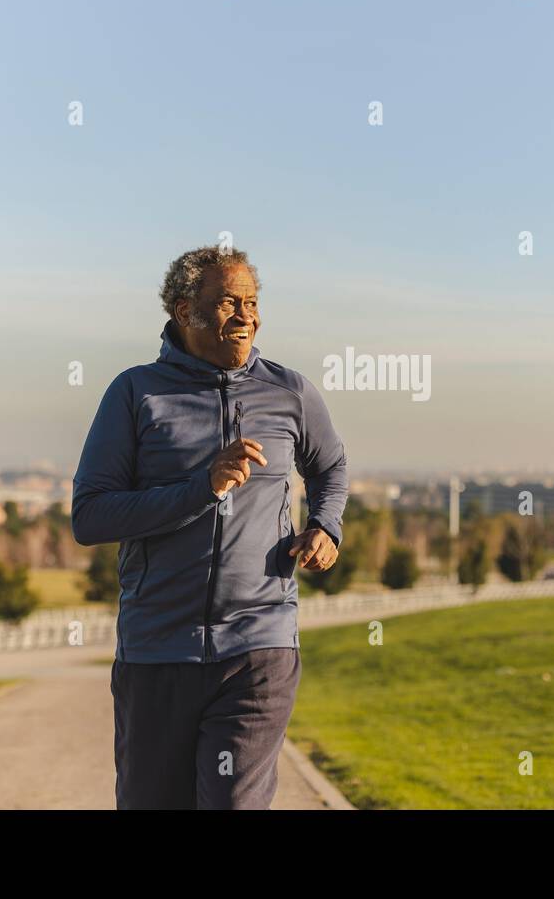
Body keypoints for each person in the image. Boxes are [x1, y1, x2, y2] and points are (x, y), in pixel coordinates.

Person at [70, 245, 349, 809]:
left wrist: (325, 526)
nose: (246, 316)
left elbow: (331, 466)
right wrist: (201, 489)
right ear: (183, 310)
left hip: (258, 645)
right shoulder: (136, 393)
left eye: (251, 302)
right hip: (157, 652)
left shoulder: (289, 392)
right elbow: (91, 515)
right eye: (227, 302)